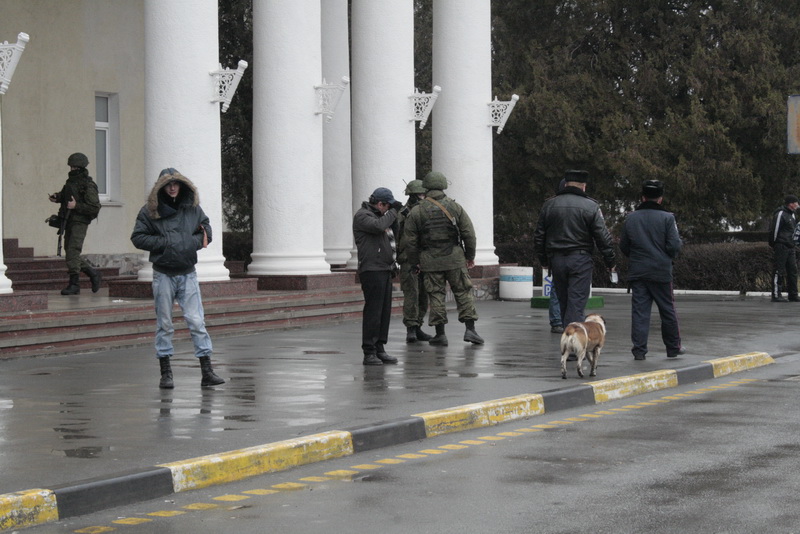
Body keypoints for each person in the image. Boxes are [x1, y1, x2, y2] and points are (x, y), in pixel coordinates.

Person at [130, 168, 224, 389]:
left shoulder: (192, 208)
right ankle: (166, 373)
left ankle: (207, 371)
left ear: (182, 185)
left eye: (176, 184)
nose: (172, 187)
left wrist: (188, 243)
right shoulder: (149, 211)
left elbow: (206, 231)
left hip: (187, 273)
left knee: (197, 321)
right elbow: (138, 237)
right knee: (165, 323)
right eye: (168, 184)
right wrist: (165, 243)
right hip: (163, 273)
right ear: (161, 187)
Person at [403, 171, 483, 346]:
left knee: (436, 295)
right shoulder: (455, 207)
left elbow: (410, 241)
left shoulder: (417, 211)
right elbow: (469, 234)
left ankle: (440, 334)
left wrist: (415, 261)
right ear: (443, 186)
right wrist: (470, 256)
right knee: (463, 292)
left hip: (430, 261)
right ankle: (470, 330)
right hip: (455, 259)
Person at [533, 169, 615, 327]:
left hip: (556, 261)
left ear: (566, 184)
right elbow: (603, 237)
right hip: (580, 260)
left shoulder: (549, 204)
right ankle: (574, 347)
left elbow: (539, 237)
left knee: (563, 302)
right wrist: (610, 261)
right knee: (576, 303)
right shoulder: (591, 206)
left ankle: (567, 337)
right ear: (583, 186)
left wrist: (544, 260)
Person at [619, 180, 685, 360]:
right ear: (660, 199)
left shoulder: (631, 218)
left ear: (643, 197)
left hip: (638, 271)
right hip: (661, 272)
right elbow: (673, 246)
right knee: (667, 310)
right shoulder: (668, 218)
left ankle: (639, 351)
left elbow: (624, 246)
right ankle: (673, 347)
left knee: (640, 313)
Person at [353, 187, 404, 365]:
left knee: (384, 312)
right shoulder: (363, 216)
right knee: (373, 312)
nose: (388, 210)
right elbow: (378, 227)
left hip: (384, 268)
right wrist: (393, 211)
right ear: (380, 203)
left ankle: (379, 348)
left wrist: (395, 216)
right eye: (387, 207)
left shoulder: (381, 217)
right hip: (372, 270)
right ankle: (369, 351)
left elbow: (393, 235)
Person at [48, 152, 102, 295]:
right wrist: (57, 197)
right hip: (68, 220)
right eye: (71, 167)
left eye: (75, 167)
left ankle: (74, 284)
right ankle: (93, 274)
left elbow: (94, 207)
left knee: (73, 251)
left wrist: (76, 206)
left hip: (80, 222)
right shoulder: (70, 182)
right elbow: (66, 195)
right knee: (70, 253)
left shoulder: (88, 185)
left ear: (81, 167)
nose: (72, 170)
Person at [396, 180, 433, 343]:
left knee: (424, 295)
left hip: (425, 259)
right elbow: (396, 238)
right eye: (420, 195)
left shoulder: (426, 212)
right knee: (412, 294)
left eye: (424, 194)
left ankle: (418, 326)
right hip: (408, 260)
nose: (423, 197)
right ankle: (410, 328)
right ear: (411, 196)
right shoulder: (402, 214)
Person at [767, 194, 799, 302]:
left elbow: (793, 231)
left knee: (793, 271)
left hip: (791, 246)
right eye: (796, 203)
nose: (797, 205)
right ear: (791, 204)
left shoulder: (793, 215)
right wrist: (775, 244)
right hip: (781, 245)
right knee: (779, 270)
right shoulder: (781, 213)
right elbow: (774, 230)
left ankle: (793, 295)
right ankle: (776, 295)